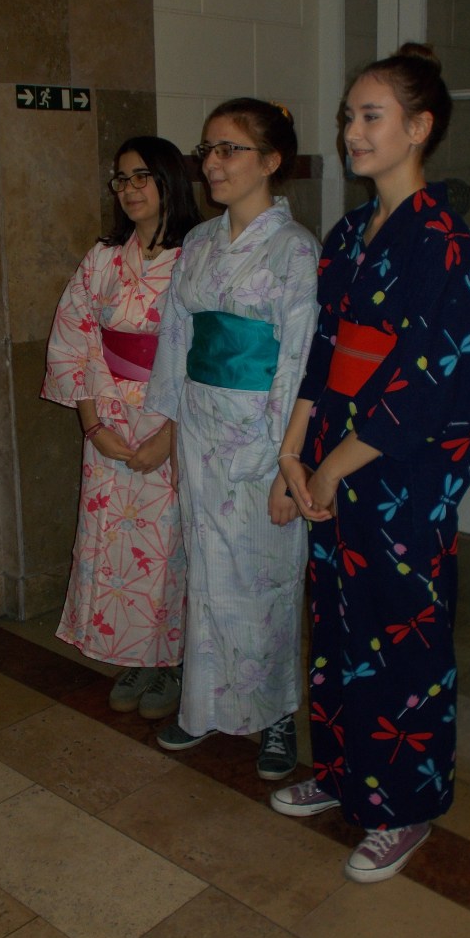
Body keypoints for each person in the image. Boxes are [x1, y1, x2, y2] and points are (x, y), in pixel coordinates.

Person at [270, 44, 470, 882]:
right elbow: (323, 356)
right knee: (338, 624)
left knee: (403, 632)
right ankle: (343, 773)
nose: (352, 132)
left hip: (402, 471)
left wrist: (334, 468)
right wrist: (294, 454)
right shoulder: (347, 234)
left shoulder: (443, 240)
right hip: (335, 448)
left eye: (371, 116)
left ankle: (407, 807)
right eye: (348, 117)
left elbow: (430, 383)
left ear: (419, 127)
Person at [145, 98, 320, 780]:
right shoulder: (198, 243)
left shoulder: (294, 249)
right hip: (200, 425)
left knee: (265, 577)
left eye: (229, 150)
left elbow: (299, 360)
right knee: (208, 573)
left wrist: (287, 464)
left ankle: (277, 715)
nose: (212, 164)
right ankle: (203, 704)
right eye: (207, 150)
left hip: (263, 434)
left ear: (271, 161)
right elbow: (176, 338)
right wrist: (168, 424)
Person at [42, 136, 200, 719]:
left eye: (142, 177)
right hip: (109, 414)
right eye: (121, 179)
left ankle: (175, 661)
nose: (130, 190)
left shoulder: (198, 256)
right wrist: (93, 425)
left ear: (169, 180)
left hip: (174, 417)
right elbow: (75, 339)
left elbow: (208, 352)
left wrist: (170, 436)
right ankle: (136, 654)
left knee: (170, 546)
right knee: (117, 547)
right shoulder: (103, 258)